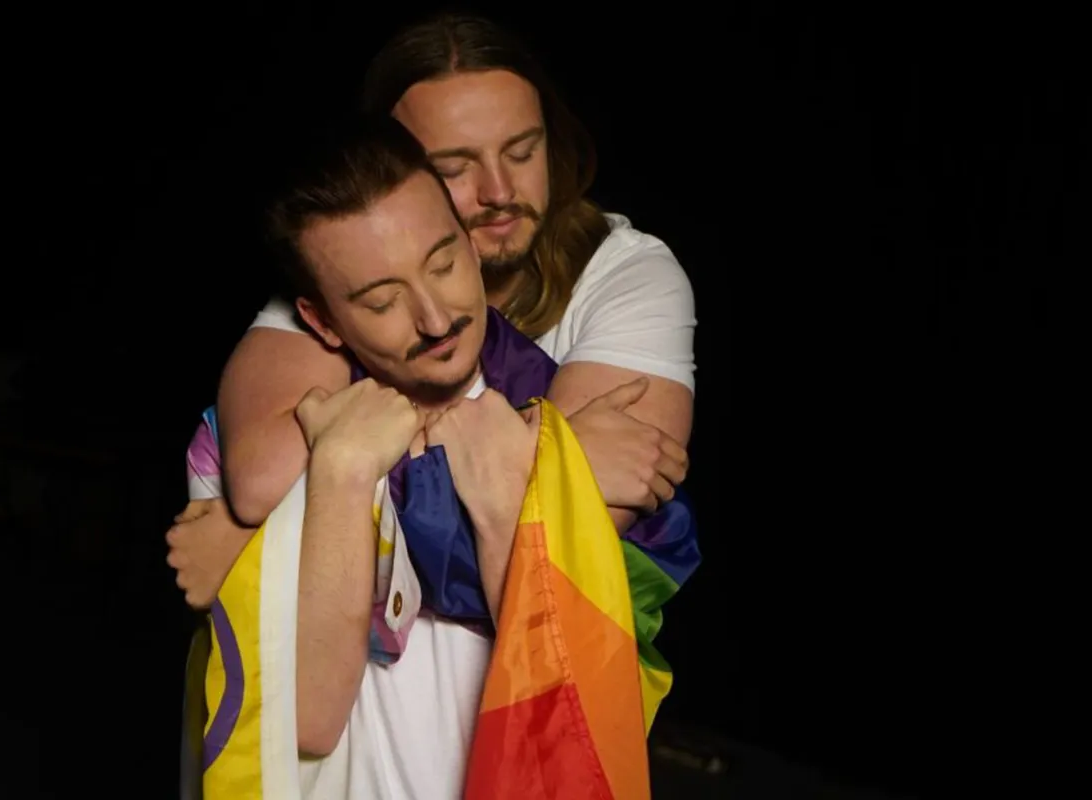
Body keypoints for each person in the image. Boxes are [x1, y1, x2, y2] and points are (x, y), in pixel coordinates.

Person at [192, 112, 689, 800]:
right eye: (382, 301)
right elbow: (304, 721)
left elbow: (581, 710)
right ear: (321, 321)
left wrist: (532, 479)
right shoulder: (296, 434)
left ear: (470, 243)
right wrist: (340, 470)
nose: (433, 318)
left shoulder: (557, 406)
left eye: (444, 262)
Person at [168, 12, 697, 610]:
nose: (499, 192)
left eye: (523, 151)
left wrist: (262, 550)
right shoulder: (336, 266)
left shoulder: (627, 273)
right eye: (454, 169)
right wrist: (558, 454)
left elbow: (569, 551)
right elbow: (265, 479)